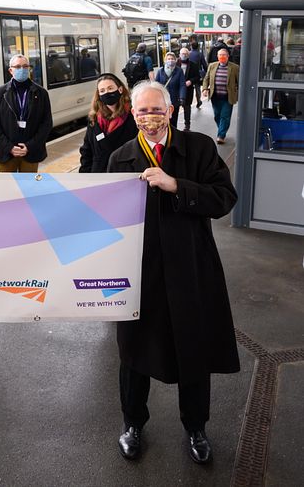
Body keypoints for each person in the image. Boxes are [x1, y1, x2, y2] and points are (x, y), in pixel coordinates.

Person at [107, 81, 240, 465]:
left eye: (156, 110)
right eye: (142, 111)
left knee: (192, 347)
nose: (150, 117)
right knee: (133, 352)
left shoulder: (198, 149)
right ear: (132, 114)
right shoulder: (121, 158)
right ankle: (133, 424)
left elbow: (224, 199)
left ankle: (195, 426)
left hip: (190, 268)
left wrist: (176, 185)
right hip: (140, 271)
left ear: (170, 111)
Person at [0, 54, 52, 173]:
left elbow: (46, 123)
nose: (21, 69)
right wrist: (9, 147)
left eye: (25, 66)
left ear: (29, 69)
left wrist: (29, 146)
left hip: (30, 153)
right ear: (10, 70)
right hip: (6, 154)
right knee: (7, 187)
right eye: (17, 67)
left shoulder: (41, 93)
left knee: (28, 188)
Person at [78, 73, 137, 173]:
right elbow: (87, 150)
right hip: (99, 174)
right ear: (99, 95)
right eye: (102, 91)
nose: (107, 93)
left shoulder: (133, 115)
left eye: (110, 88)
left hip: (124, 174)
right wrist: (85, 174)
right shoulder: (94, 119)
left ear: (120, 90)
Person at [202, 48, 240, 144]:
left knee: (225, 116)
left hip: (228, 97)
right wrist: (205, 89)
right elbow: (206, 78)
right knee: (217, 116)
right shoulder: (212, 66)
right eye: (220, 55)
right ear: (217, 56)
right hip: (215, 96)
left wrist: (239, 95)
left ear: (228, 56)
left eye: (224, 55)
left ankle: (221, 135)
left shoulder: (235, 67)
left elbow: (239, 82)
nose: (222, 57)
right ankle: (222, 129)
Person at [153, 52, 185, 130]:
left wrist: (182, 97)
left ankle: (174, 136)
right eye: (168, 59)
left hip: (174, 100)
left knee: (173, 120)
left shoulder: (179, 71)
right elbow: (156, 85)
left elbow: (182, 85)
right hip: (163, 100)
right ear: (165, 60)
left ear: (175, 60)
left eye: (172, 59)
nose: (170, 60)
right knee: (164, 119)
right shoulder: (160, 71)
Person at [177, 48, 201, 131]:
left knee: (187, 107)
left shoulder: (193, 65)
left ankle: (187, 125)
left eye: (186, 54)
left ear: (188, 55)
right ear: (179, 54)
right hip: (177, 89)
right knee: (175, 107)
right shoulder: (176, 64)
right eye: (182, 53)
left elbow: (197, 77)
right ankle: (173, 125)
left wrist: (191, 81)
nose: (184, 55)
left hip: (188, 89)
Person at [188, 42, 207, 108]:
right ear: (198, 47)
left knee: (189, 88)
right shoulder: (200, 54)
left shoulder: (188, 54)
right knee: (197, 88)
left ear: (191, 46)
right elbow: (204, 65)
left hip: (189, 74)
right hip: (197, 73)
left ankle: (188, 103)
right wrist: (206, 72)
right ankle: (199, 100)